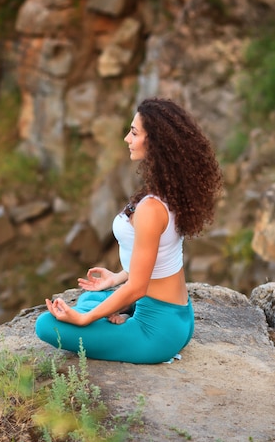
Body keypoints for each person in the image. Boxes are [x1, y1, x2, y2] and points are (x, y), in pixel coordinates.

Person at [35, 97, 223, 364]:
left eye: (134, 133)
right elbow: (159, 255)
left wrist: (84, 318)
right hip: (179, 316)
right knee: (93, 296)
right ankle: (121, 312)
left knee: (46, 325)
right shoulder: (169, 192)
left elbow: (137, 287)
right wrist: (116, 279)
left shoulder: (151, 208)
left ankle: (123, 317)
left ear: (155, 142)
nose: (126, 138)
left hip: (156, 332)